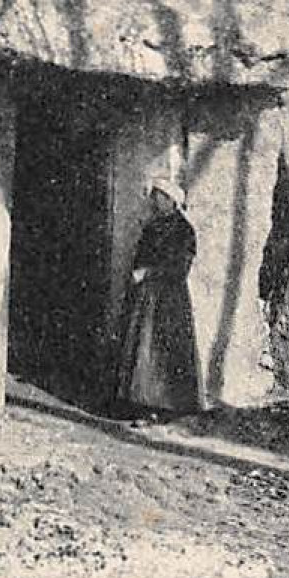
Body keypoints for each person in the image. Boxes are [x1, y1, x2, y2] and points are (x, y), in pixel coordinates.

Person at [117, 178, 200, 417]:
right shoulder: (152, 227)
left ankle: (166, 407)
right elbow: (141, 255)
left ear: (171, 200)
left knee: (163, 350)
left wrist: (150, 272)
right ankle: (142, 404)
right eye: (155, 196)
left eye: (160, 197)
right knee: (143, 349)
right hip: (147, 297)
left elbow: (180, 268)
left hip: (169, 298)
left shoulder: (184, 231)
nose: (155, 201)